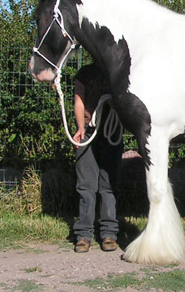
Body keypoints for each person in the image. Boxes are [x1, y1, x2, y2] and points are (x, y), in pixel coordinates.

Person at [72, 63, 123, 253]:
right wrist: (80, 128)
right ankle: (84, 235)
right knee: (86, 185)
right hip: (88, 132)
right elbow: (79, 101)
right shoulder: (84, 73)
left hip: (112, 130)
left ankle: (109, 233)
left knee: (109, 184)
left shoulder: (115, 71)